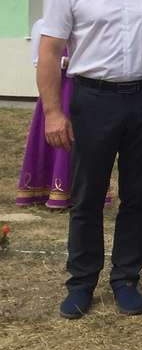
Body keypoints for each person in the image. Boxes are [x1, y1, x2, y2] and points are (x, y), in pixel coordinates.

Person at [38, 0, 142, 319]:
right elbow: (50, 52)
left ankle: (126, 279)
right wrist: (55, 113)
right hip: (92, 101)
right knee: (88, 196)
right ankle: (81, 283)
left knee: (136, 195)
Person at [17, 19, 73, 209]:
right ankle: (45, 188)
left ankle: (73, 189)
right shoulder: (42, 25)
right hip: (56, 87)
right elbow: (37, 60)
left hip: (76, 88)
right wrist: (66, 61)